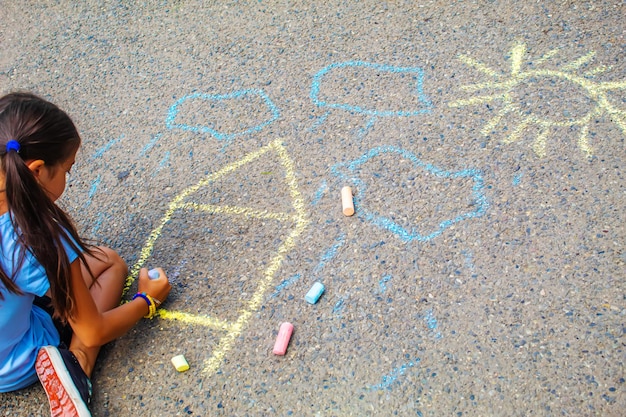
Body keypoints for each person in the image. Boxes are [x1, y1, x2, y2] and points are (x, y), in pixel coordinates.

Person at [0, 92, 172, 417]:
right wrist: (146, 301)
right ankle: (75, 370)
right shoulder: (37, 235)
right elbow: (94, 329)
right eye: (67, 170)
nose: (67, 177)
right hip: (12, 363)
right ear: (36, 171)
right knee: (110, 263)